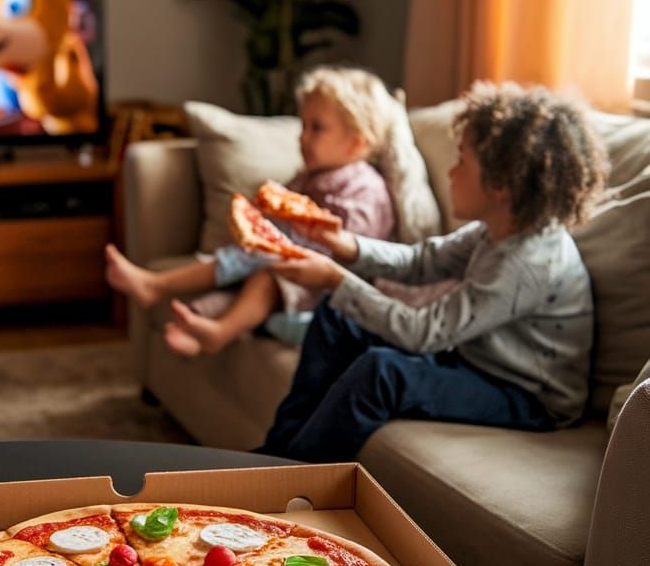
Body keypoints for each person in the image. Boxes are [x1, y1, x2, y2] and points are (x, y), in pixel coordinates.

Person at [258, 80, 608, 463]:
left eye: (462, 161)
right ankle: (275, 456)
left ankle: (296, 472)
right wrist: (345, 245)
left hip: (526, 395)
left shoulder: (527, 263)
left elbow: (424, 333)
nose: (451, 173)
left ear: (503, 184)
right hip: (476, 360)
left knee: (382, 373)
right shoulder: (495, 230)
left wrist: (335, 278)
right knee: (337, 313)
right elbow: (421, 263)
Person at [104, 66, 397, 357]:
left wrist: (279, 247)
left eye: (316, 128)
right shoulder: (306, 177)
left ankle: (200, 319)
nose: (303, 137)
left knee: (264, 277)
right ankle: (194, 325)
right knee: (239, 278)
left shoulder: (365, 190)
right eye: (303, 125)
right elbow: (274, 218)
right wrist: (255, 222)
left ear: (357, 141)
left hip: (324, 292)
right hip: (285, 268)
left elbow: (351, 254)